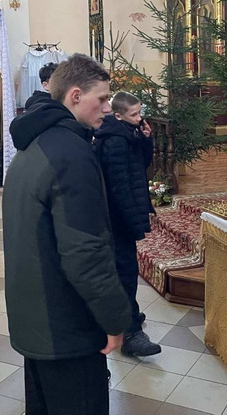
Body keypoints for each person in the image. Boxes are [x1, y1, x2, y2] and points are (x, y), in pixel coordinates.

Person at [4, 53, 132, 415]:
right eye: (102, 99)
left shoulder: (35, 140)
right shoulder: (71, 154)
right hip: (67, 324)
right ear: (75, 96)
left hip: (37, 318)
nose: (107, 108)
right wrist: (114, 319)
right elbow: (85, 253)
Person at [94, 91, 160, 358]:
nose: (139, 118)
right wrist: (133, 220)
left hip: (122, 217)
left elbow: (140, 165)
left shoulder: (126, 133)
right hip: (117, 220)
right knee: (125, 271)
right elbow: (119, 187)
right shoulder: (114, 141)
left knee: (127, 269)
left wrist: (146, 139)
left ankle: (129, 314)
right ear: (119, 115)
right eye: (134, 114)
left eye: (140, 112)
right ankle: (129, 331)